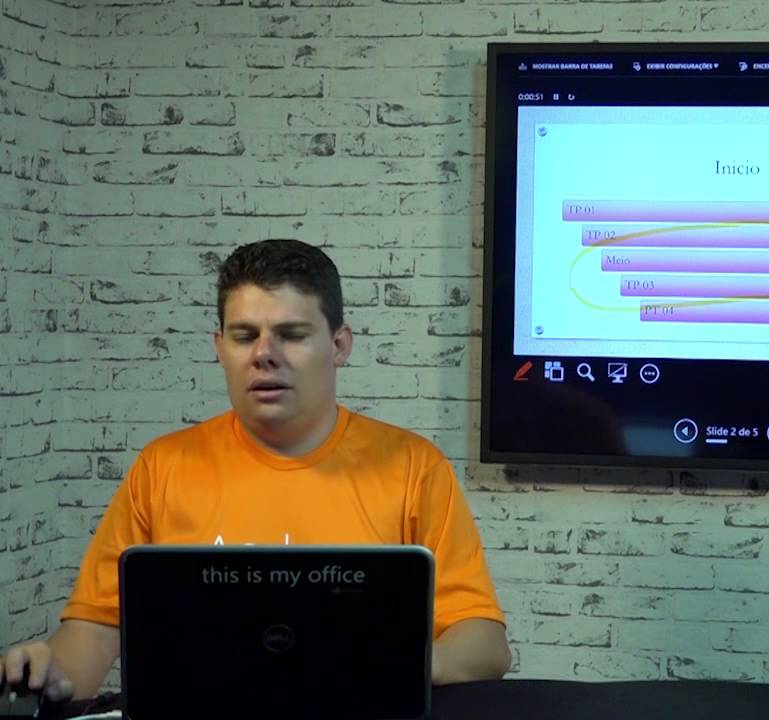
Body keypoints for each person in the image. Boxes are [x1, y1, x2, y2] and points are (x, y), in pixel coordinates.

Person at [1, 239, 511, 701]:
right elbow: (95, 628)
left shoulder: (412, 466)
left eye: (291, 335)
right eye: (245, 336)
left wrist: (384, 666)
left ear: (339, 345)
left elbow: (485, 644)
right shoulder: (163, 466)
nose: (265, 355)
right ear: (219, 347)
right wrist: (49, 674)